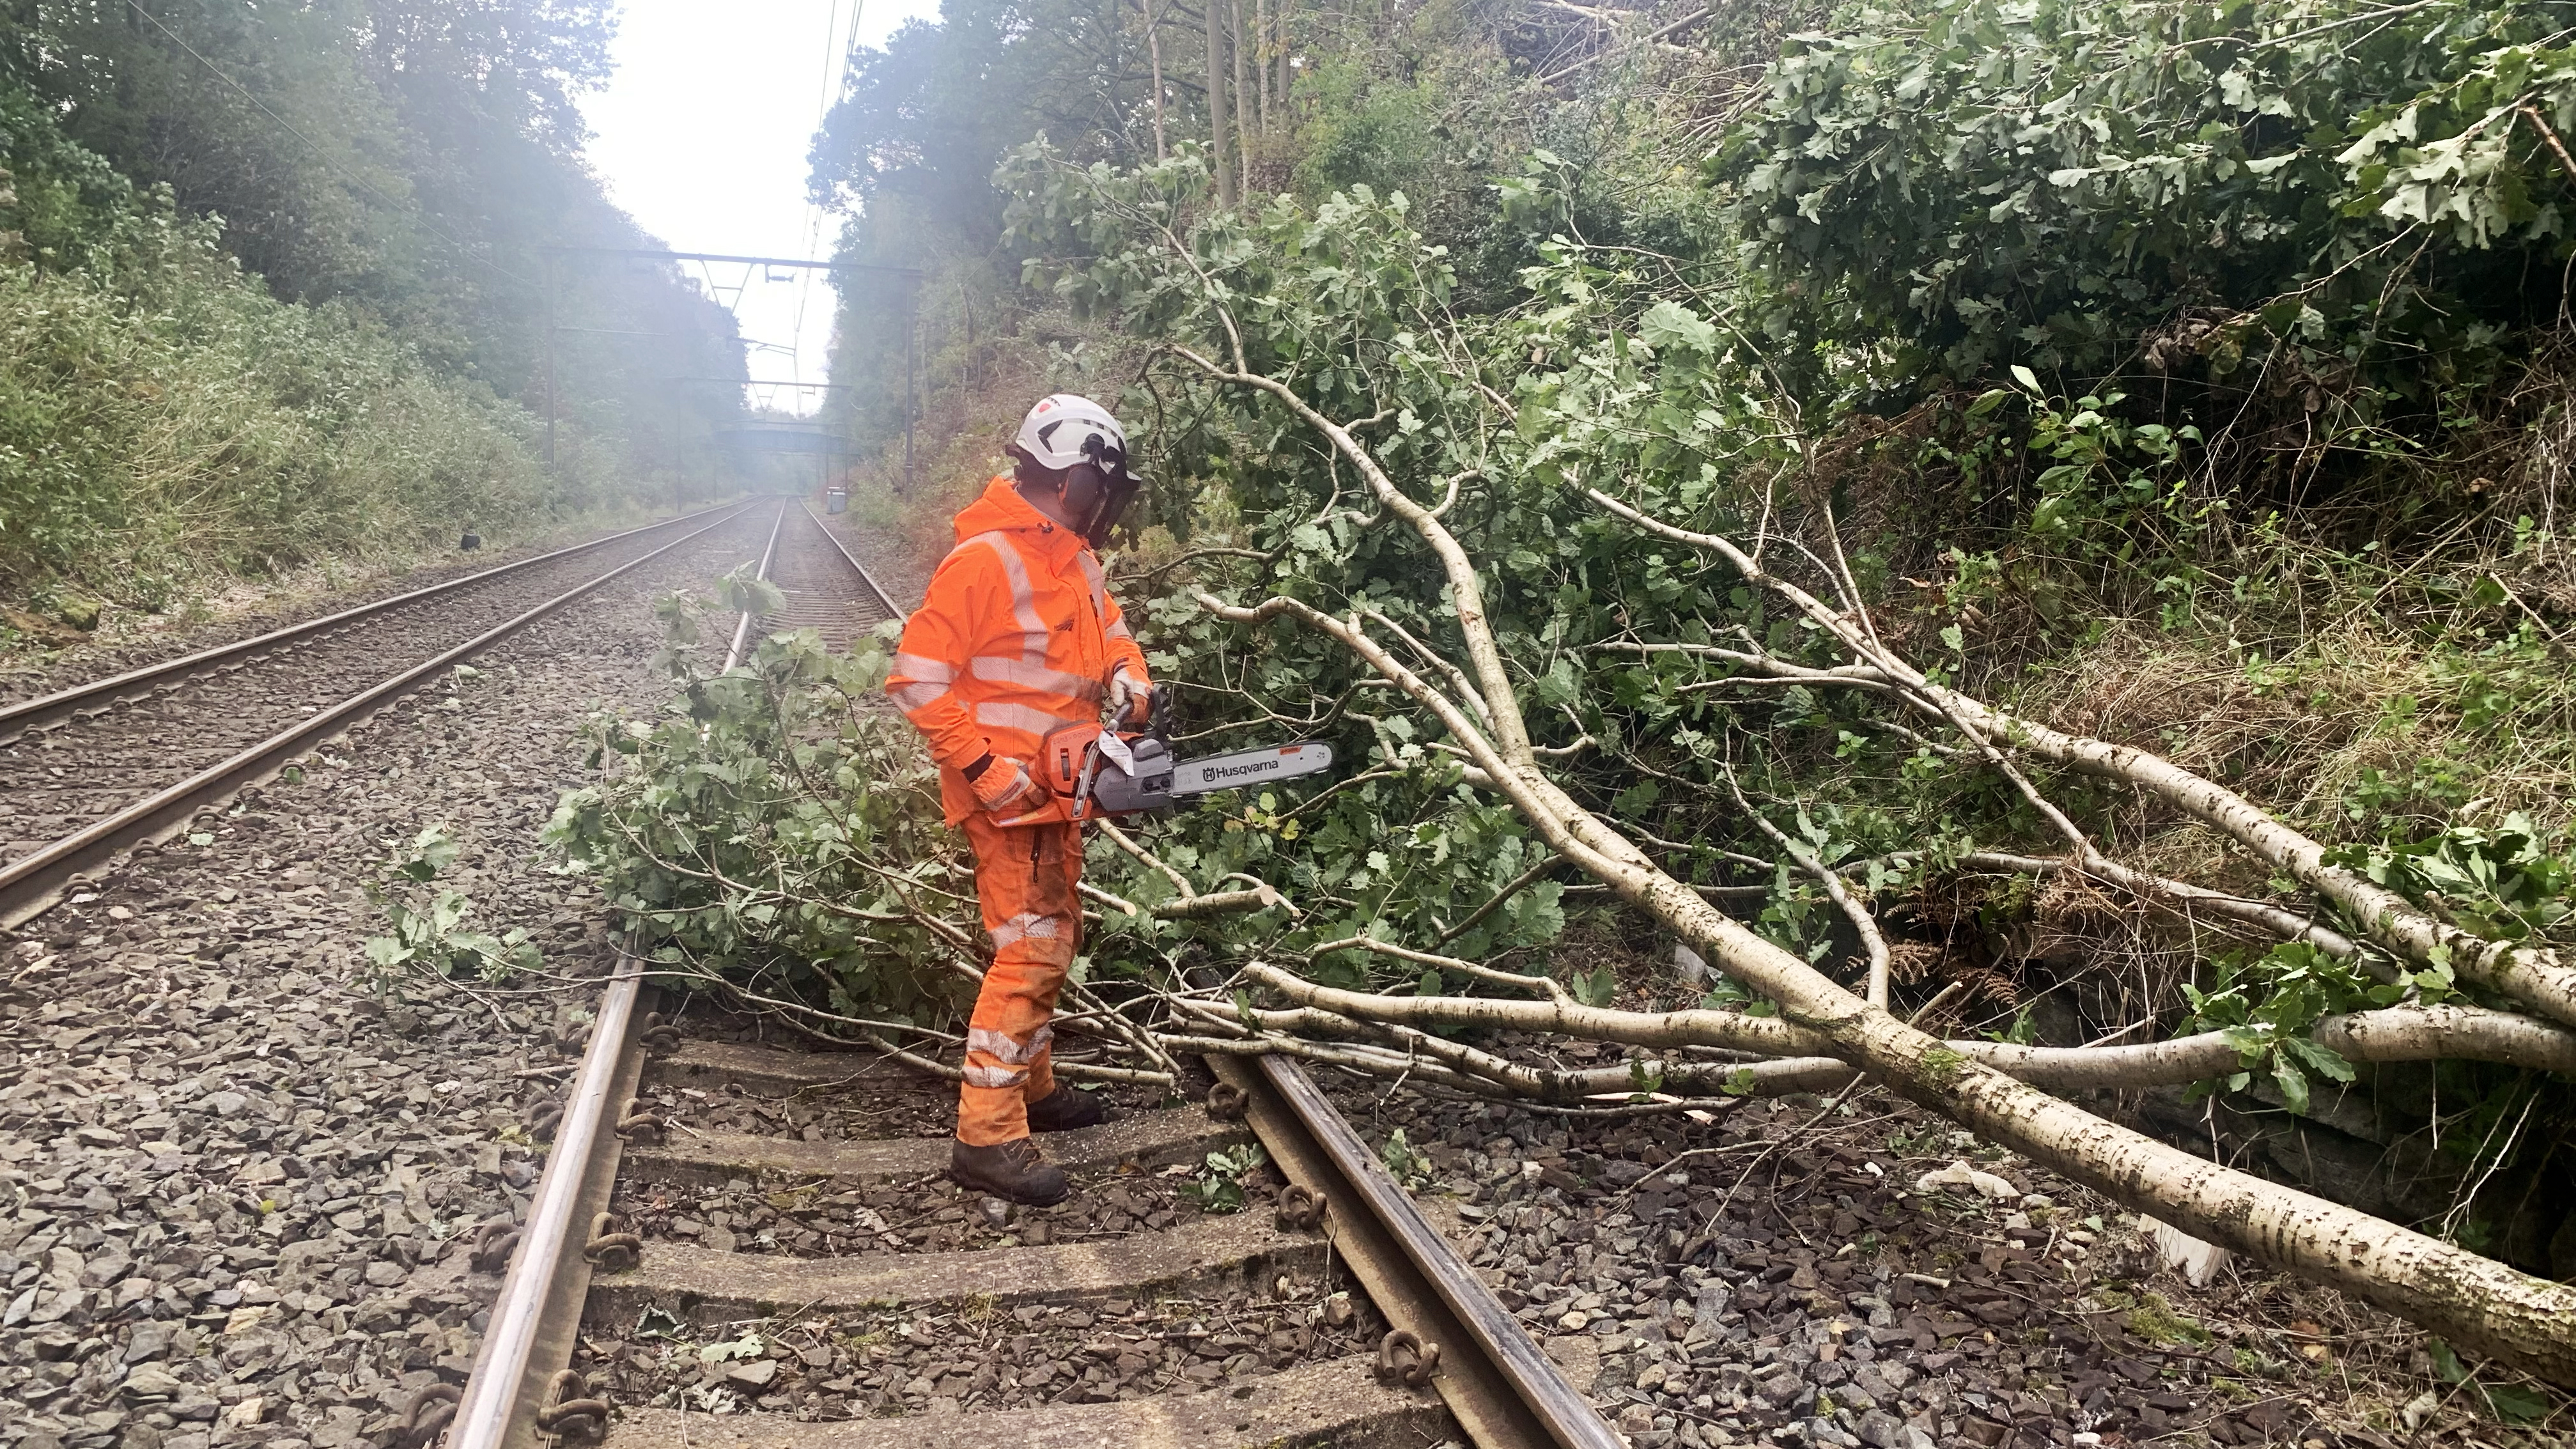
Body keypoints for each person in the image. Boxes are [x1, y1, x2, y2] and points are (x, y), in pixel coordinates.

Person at [885, 394, 1153, 1205]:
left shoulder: (1073, 559)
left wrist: (1129, 677)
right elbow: (917, 682)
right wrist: (983, 768)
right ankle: (987, 1132)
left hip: (1056, 788)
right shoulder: (983, 561)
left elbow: (1109, 632)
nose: (1107, 504)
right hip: (1008, 790)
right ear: (1078, 478)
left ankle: (1033, 1085)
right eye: (1104, 487)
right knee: (1031, 949)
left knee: (1051, 933)